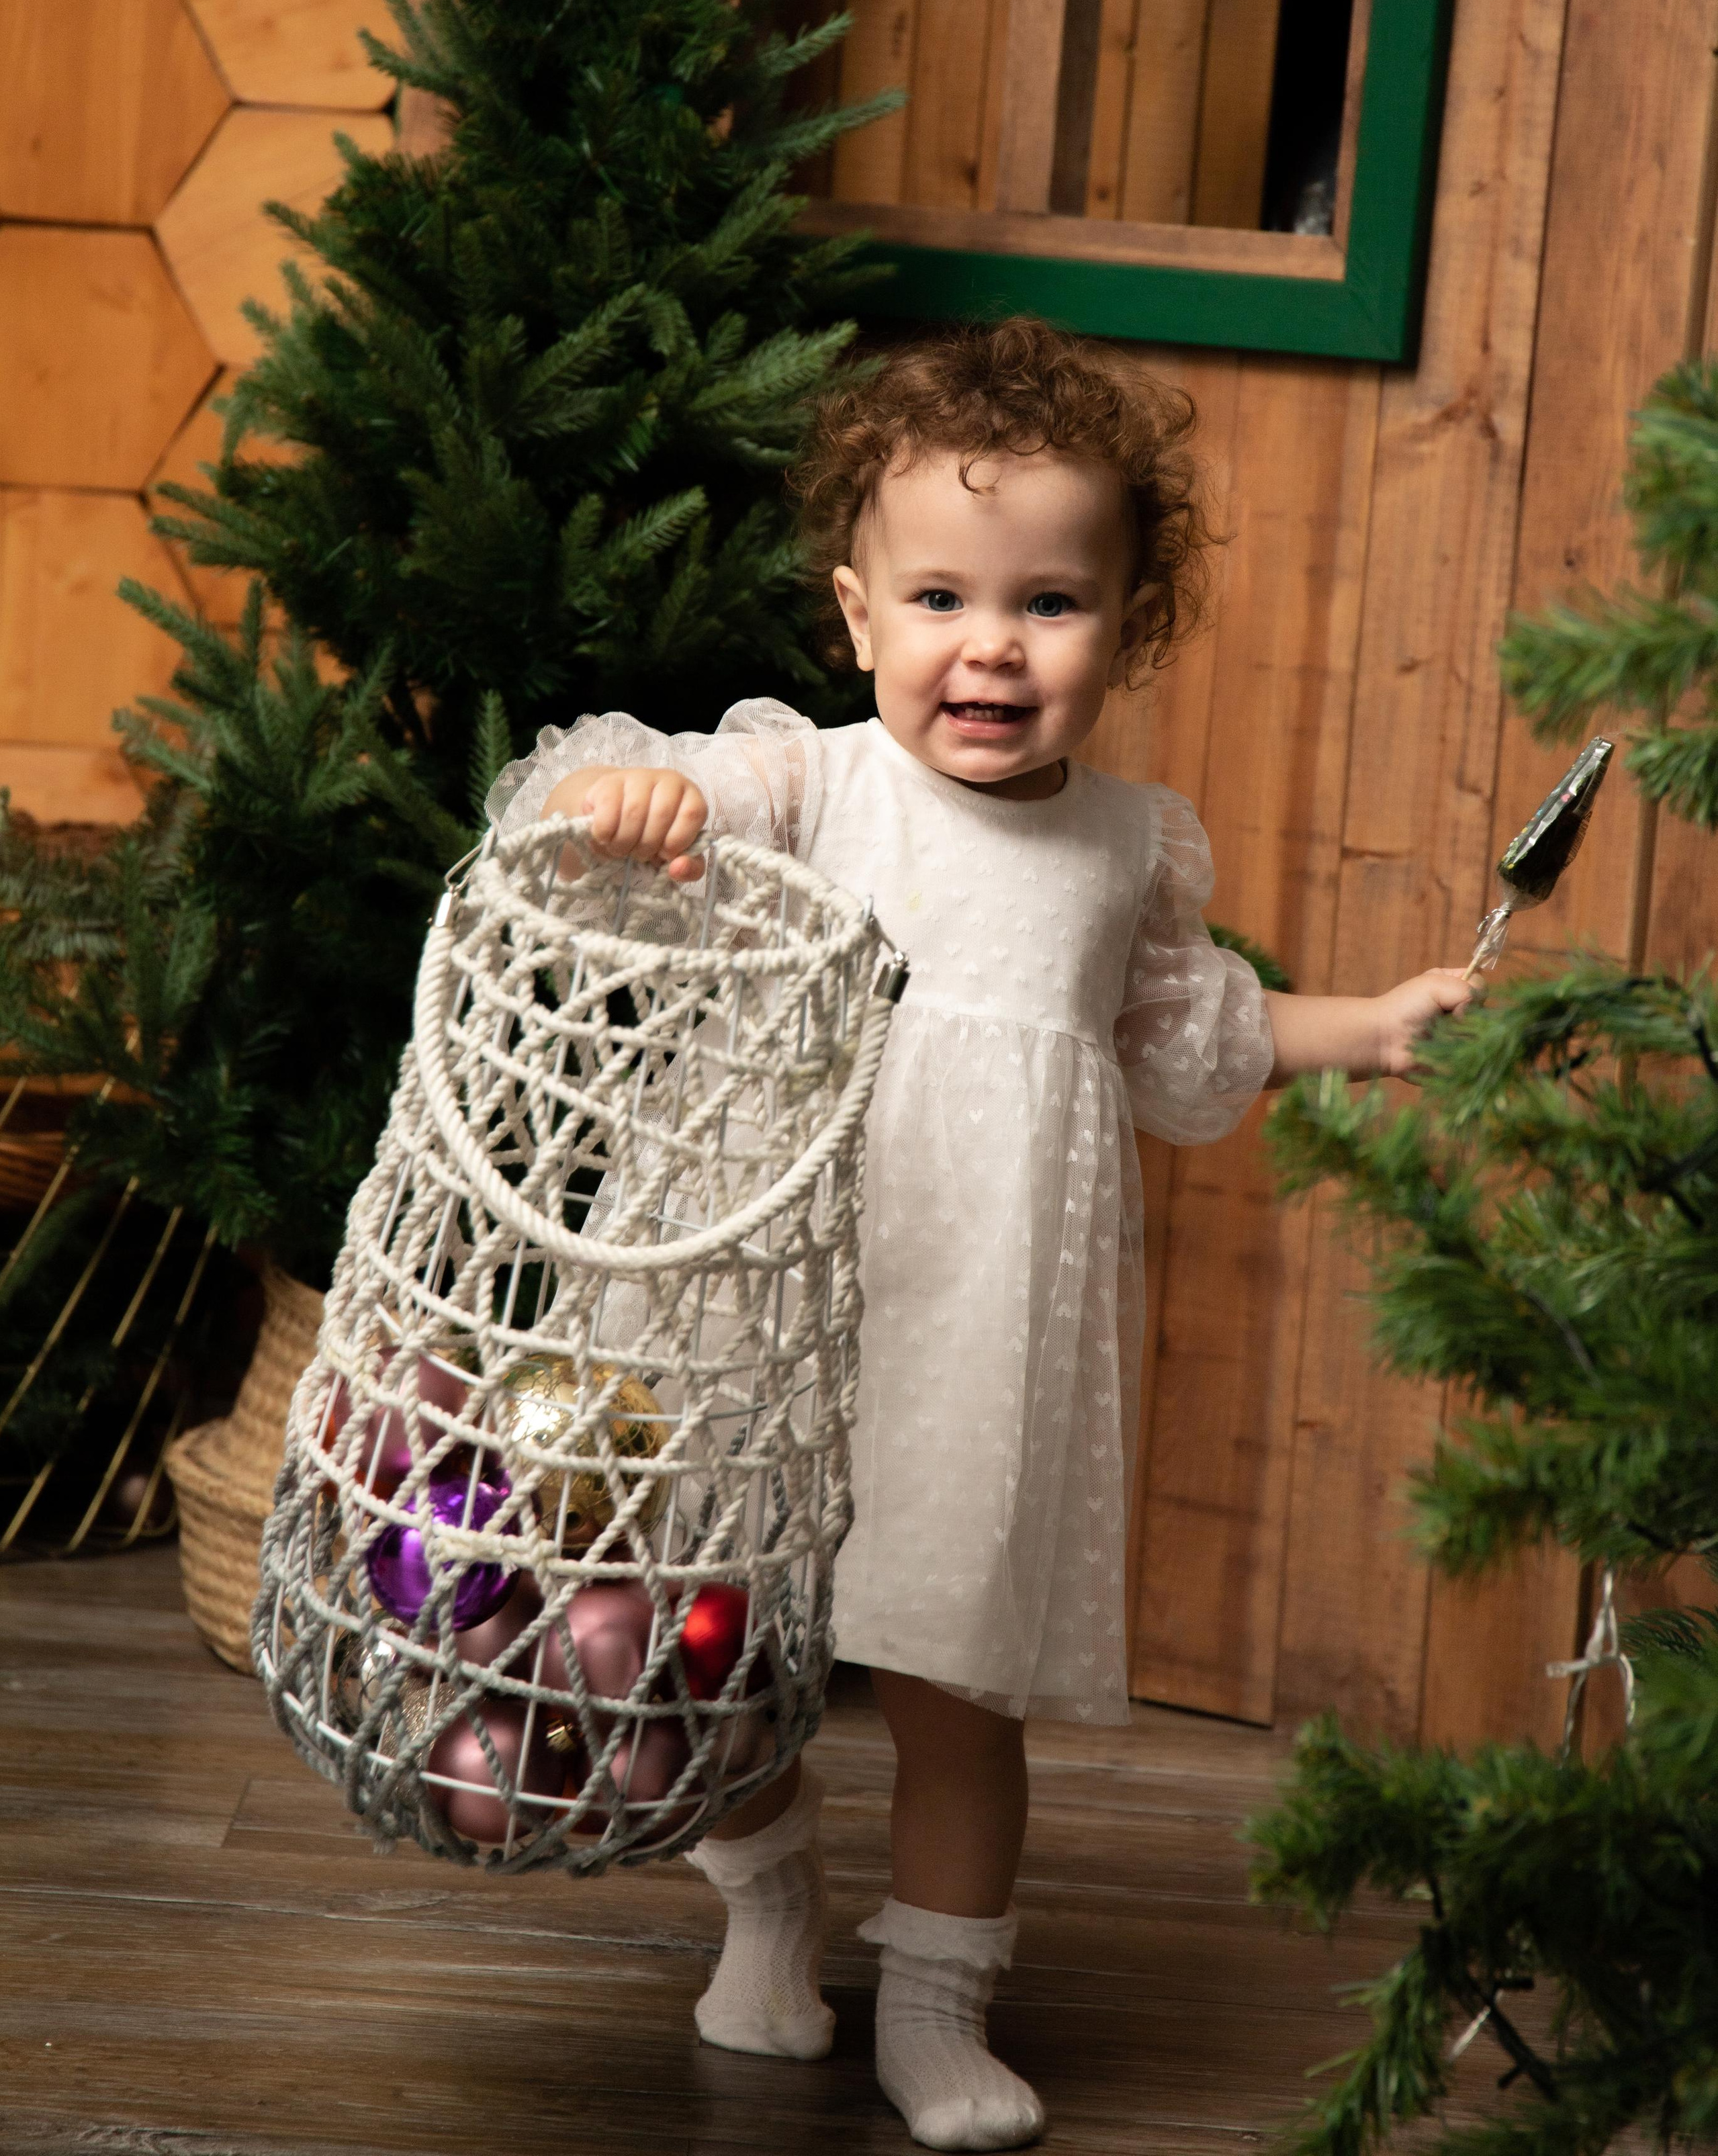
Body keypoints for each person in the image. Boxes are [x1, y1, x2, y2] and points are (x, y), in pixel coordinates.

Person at [485, 318, 1472, 2152]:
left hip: (978, 1339)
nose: (990, 646)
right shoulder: (808, 789)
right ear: (859, 620)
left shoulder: (1123, 850)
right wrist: (620, 804)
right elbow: (601, 814)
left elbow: (1200, 1040)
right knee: (721, 1641)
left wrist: (1372, 1025)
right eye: (938, 596)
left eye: (1050, 603)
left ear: (1126, 626)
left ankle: (937, 2012)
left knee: (956, 1695)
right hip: (763, 1305)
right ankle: (768, 1915)